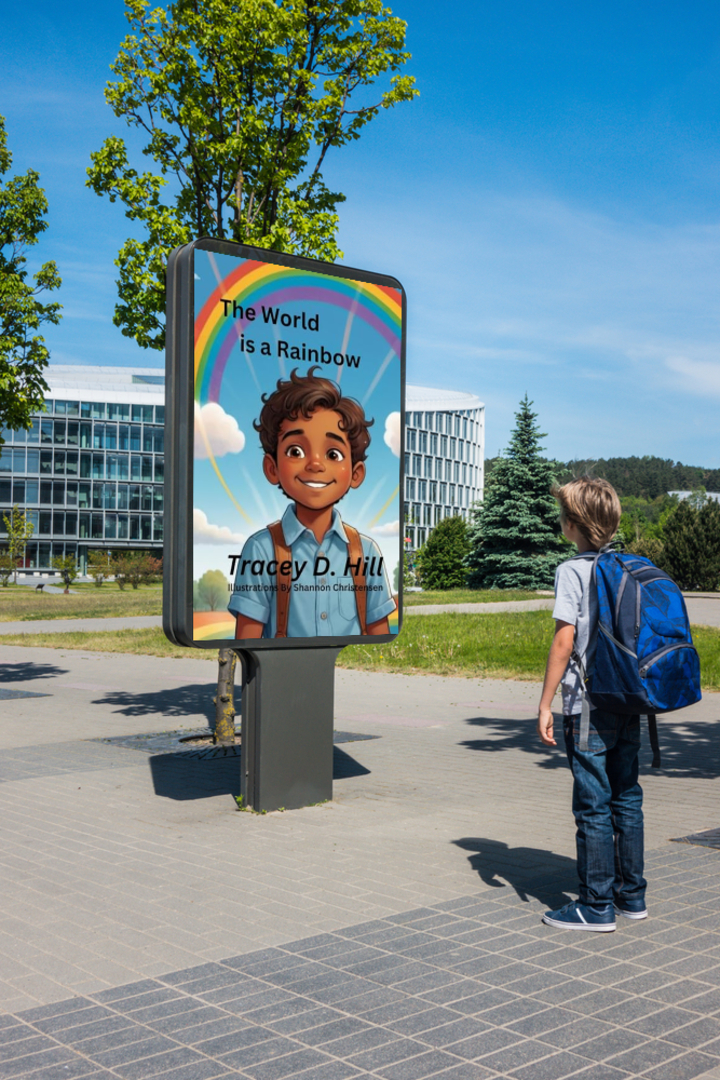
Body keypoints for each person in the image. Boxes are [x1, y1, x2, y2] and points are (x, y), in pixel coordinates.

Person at [537, 477, 647, 932]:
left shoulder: (572, 570)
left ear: (572, 524)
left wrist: (546, 703)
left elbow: (564, 641)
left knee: (593, 804)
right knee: (627, 796)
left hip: (587, 707)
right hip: (628, 700)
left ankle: (595, 905)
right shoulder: (628, 566)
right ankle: (631, 897)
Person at [228, 368, 396, 639]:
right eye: (296, 451)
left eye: (333, 453)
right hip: (281, 680)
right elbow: (248, 643)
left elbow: (378, 638)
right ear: (272, 468)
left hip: (353, 679)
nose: (316, 464)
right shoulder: (261, 549)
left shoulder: (366, 552)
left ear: (356, 474)